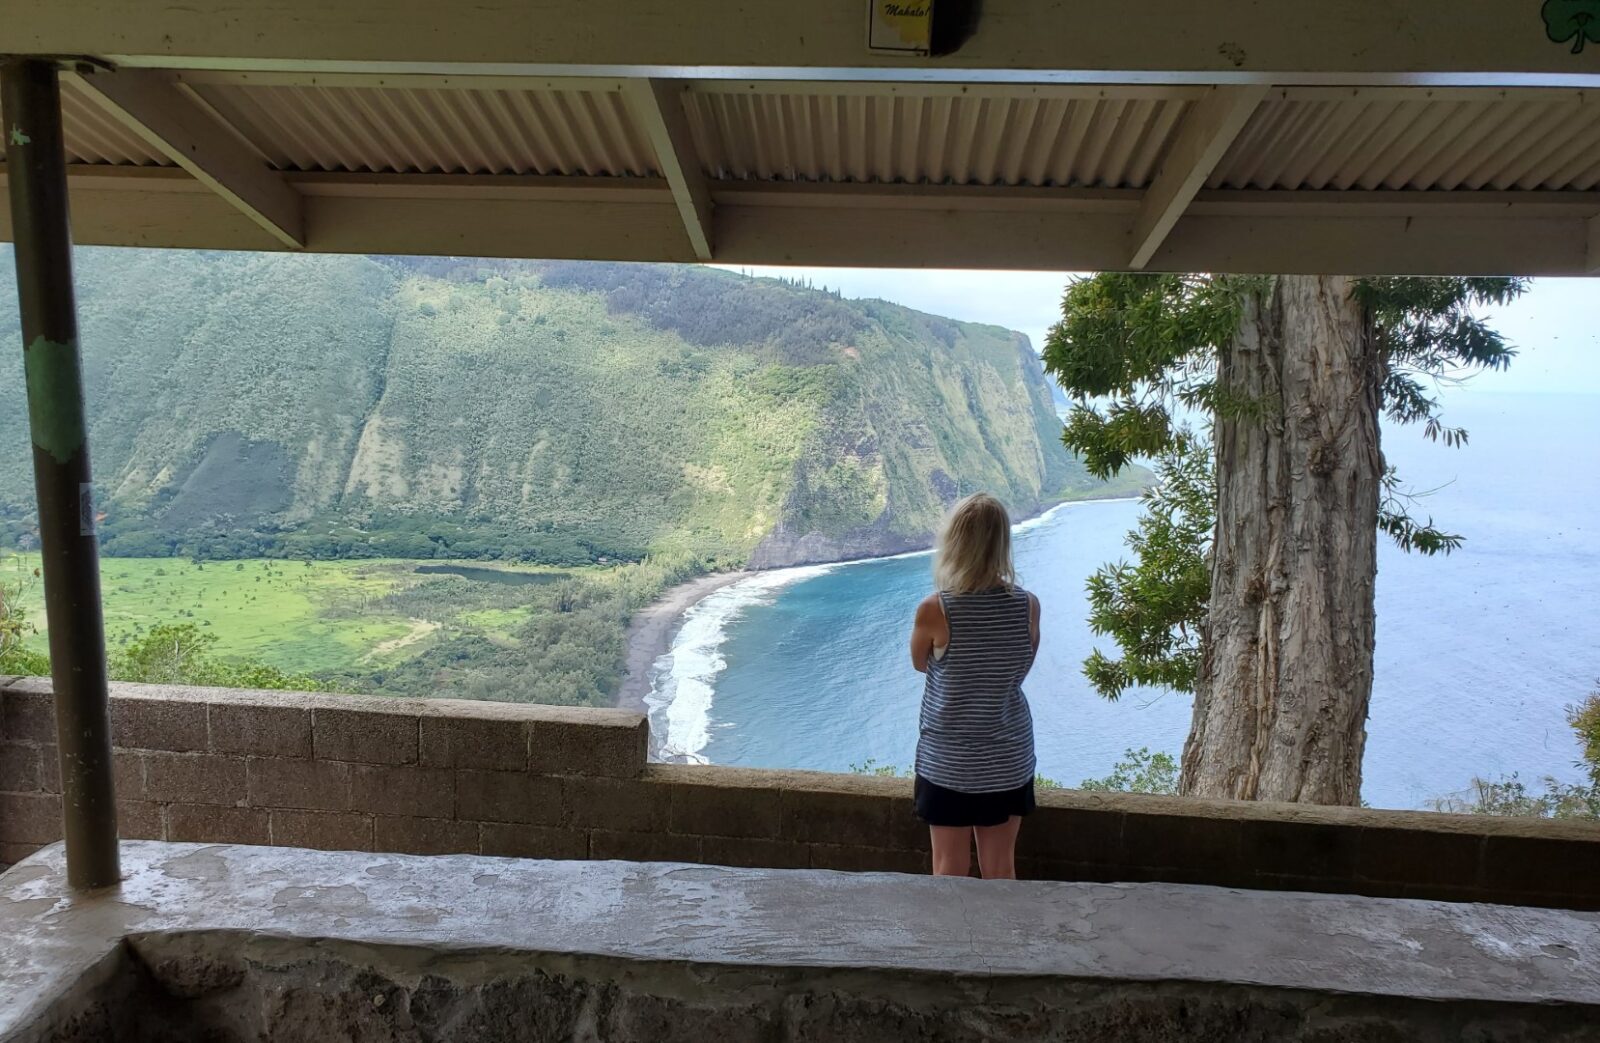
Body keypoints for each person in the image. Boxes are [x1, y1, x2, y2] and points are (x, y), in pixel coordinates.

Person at [908, 492, 1040, 879]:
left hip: (949, 762)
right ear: (1001, 544)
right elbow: (1018, 669)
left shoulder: (935, 609)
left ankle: (952, 941)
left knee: (949, 869)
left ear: (955, 543)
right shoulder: (1027, 605)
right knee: (1001, 868)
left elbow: (920, 664)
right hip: (1008, 757)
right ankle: (1002, 939)